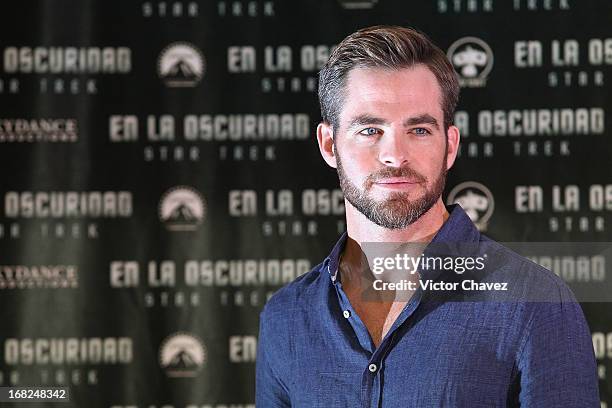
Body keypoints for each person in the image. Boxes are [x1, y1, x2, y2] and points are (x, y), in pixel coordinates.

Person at [256, 25, 599, 407]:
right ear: (329, 144)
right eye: (370, 130)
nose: (395, 155)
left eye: (418, 130)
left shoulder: (534, 303)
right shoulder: (286, 317)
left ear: (450, 146)